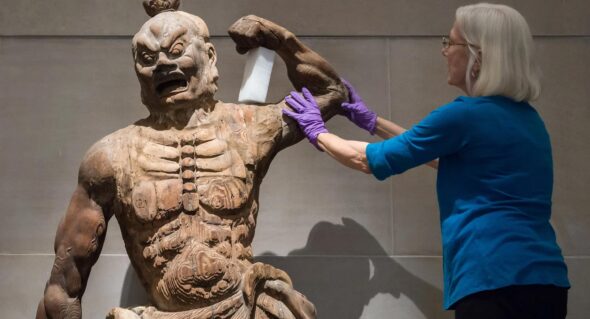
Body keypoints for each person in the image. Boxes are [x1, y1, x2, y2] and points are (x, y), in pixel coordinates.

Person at [36, 2, 347, 319]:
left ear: (209, 57)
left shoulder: (249, 129)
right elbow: (63, 284)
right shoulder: (111, 156)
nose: (161, 65)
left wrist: (278, 38)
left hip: (245, 308)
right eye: (147, 58)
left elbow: (331, 92)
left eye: (176, 50)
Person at [283, 3, 570, 319]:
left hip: (492, 281)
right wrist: (371, 121)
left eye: (451, 43)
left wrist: (316, 130)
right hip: (547, 283)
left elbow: (366, 159)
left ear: (479, 55)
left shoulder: (464, 116)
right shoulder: (529, 121)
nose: (445, 52)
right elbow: (433, 153)